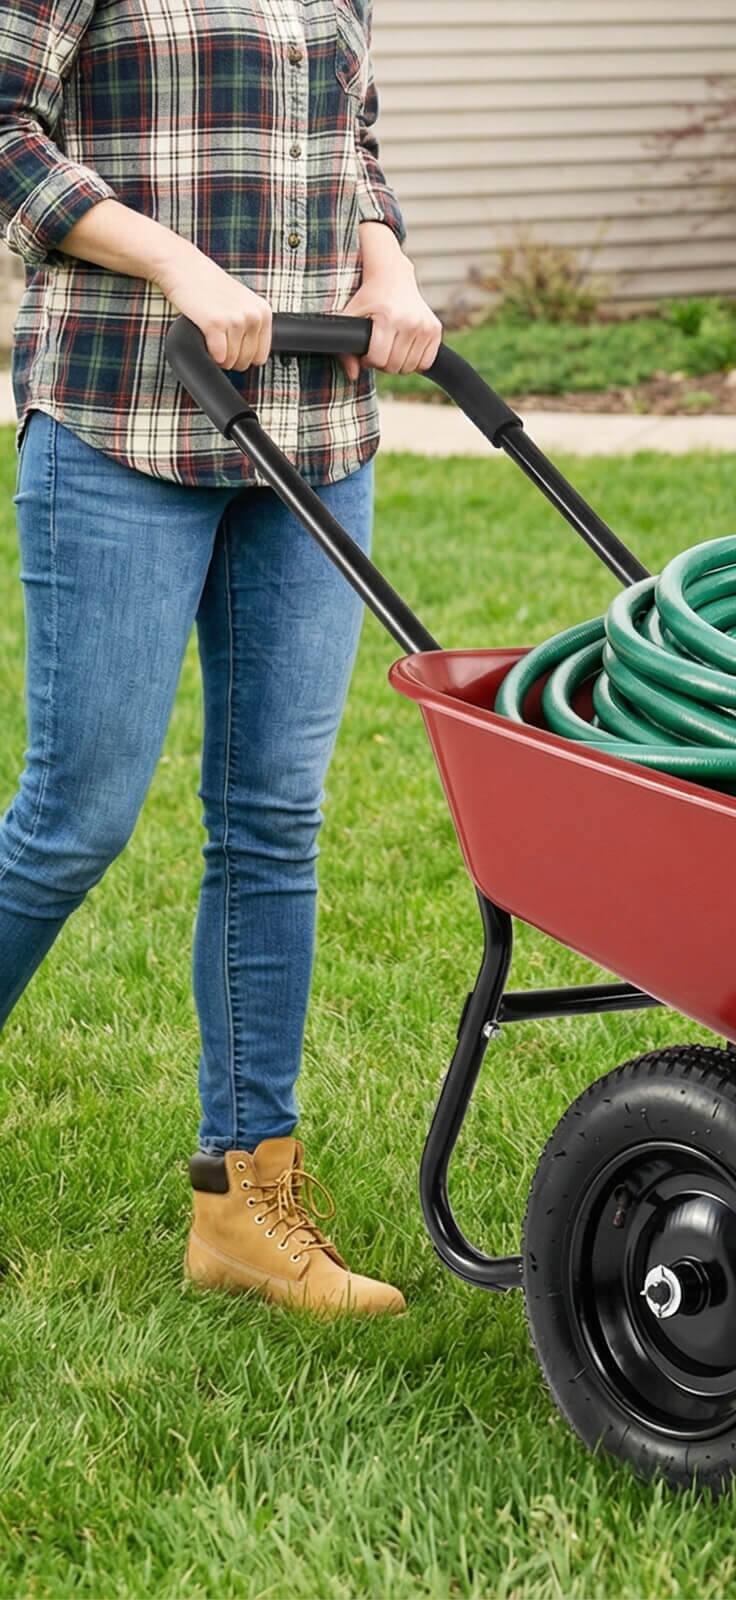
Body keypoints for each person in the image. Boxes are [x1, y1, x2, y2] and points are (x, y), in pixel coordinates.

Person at [0, 0, 441, 1315]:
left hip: (311, 427)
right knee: (76, 817)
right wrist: (176, 265)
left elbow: (346, 138)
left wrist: (389, 268)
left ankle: (246, 1206)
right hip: (123, 407)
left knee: (272, 818)